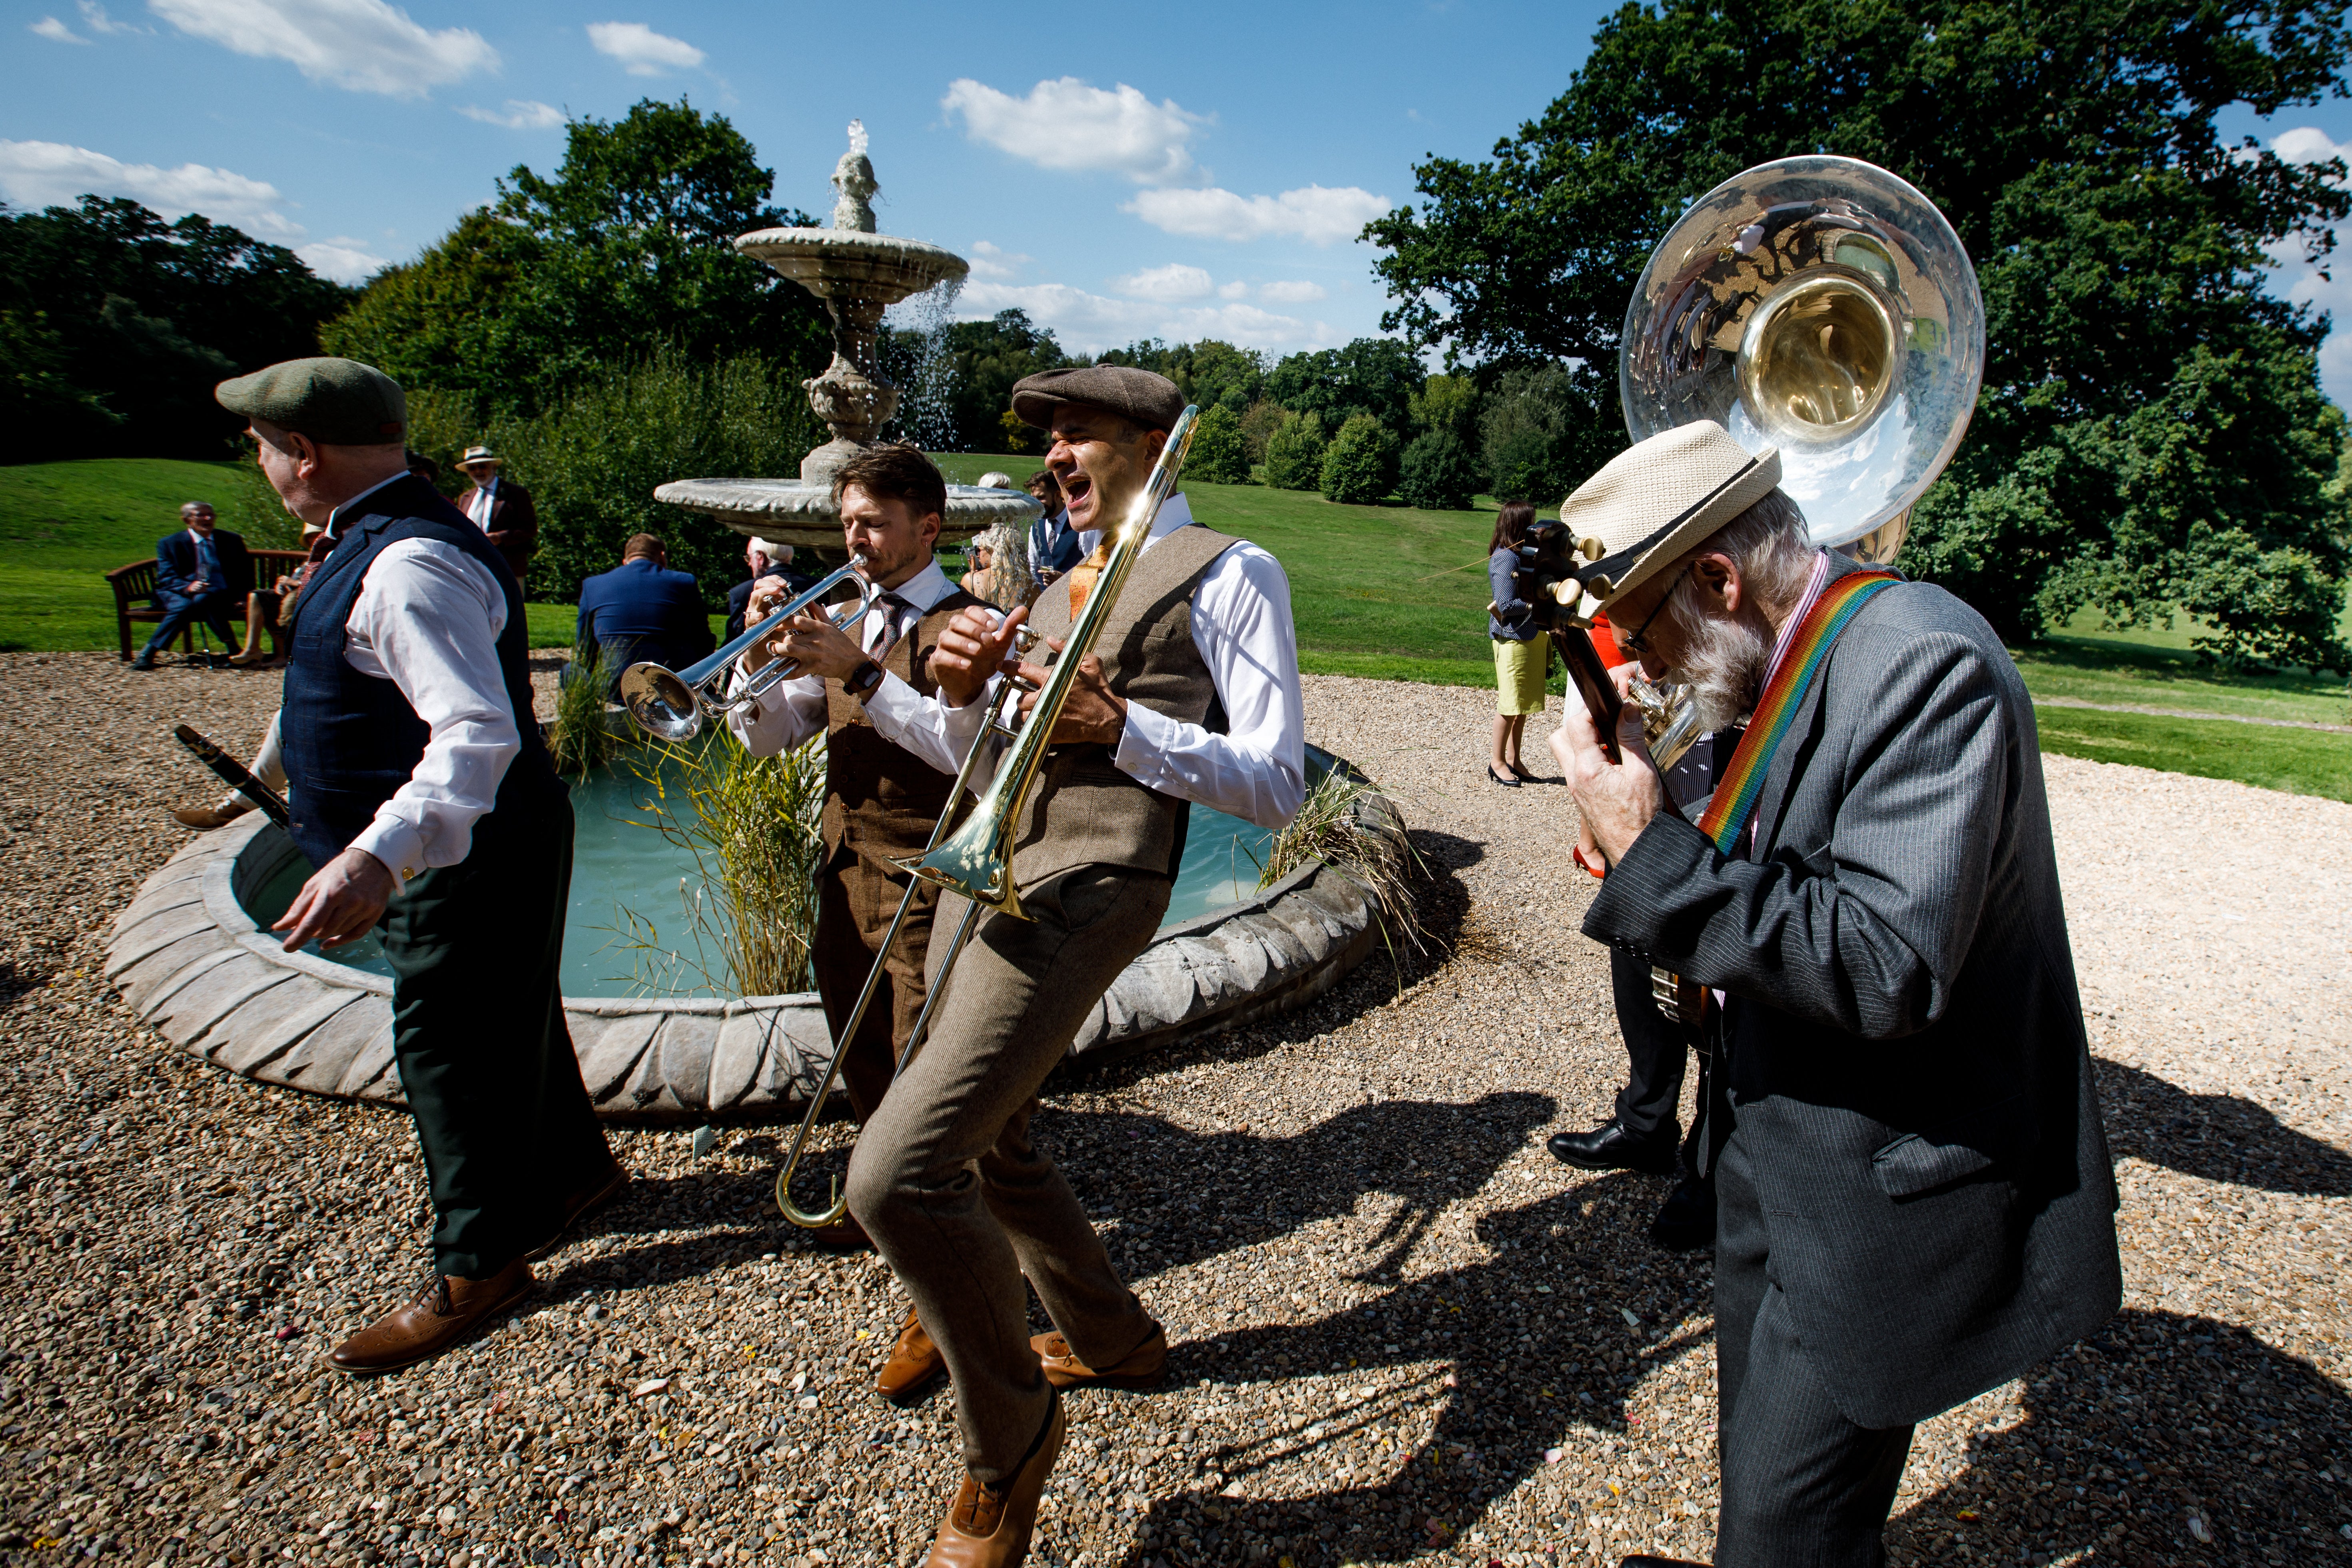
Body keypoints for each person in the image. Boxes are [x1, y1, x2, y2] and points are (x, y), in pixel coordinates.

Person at [1549, 421, 2121, 1568]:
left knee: (1782, 1528)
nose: (1642, 663)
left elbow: (1880, 964)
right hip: (1768, 1144)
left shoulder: (1919, 659)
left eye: (1642, 627)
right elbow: (1767, 860)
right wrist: (1664, 820)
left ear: (1717, 576)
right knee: (1761, 1476)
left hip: (1877, 1182)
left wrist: (1648, 851)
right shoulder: (1774, 654)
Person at [854, 365, 1305, 1568]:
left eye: (1077, 431)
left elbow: (1277, 779)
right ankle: (1109, 1338)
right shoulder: (1052, 583)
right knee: (994, 1136)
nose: (1055, 453)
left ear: (1153, 443)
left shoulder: (1228, 567)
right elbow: (970, 747)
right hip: (991, 863)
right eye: (1046, 437)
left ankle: (1009, 1437)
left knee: (892, 1175)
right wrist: (939, 680)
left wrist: (1124, 729)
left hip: (1095, 878)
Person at [216, 356, 624, 1373]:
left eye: (265, 447)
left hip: (464, 847)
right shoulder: (389, 543)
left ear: (303, 453)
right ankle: (573, 1178)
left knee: (444, 1048)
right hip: (495, 832)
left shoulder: (405, 565)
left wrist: (375, 859)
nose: (262, 463)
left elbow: (475, 732)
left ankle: (478, 1263)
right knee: (511, 1010)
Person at [724, 445, 985, 1395]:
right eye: (846, 526)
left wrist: (863, 672)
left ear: (927, 528)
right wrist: (755, 667)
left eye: (870, 525)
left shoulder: (972, 625)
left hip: (927, 879)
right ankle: (885, 1202)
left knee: (926, 1072)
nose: (854, 542)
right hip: (844, 867)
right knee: (862, 1052)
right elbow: (767, 738)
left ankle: (939, 1290)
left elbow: (968, 753)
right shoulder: (844, 619)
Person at [570, 535, 716, 694]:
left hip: (617, 689)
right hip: (672, 688)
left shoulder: (593, 585)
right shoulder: (684, 582)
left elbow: (585, 649)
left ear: (625, 561)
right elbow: (703, 640)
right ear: (662, 557)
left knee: (569, 672)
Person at [131, 502, 252, 669]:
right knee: (185, 605)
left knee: (203, 600)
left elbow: (245, 573)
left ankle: (148, 653)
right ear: (187, 520)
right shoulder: (170, 543)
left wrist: (244, 597)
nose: (208, 518)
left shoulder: (231, 540)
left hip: (219, 593)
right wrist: (188, 587)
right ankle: (234, 650)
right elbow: (166, 577)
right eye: (201, 515)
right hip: (177, 592)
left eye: (211, 514)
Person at [1486, 500, 1546, 787]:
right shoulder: (1505, 559)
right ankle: (1496, 762)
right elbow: (1506, 605)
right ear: (1518, 525)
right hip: (1511, 639)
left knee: (1521, 707)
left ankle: (1514, 759)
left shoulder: (1522, 554)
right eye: (1530, 522)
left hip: (1528, 638)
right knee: (1509, 705)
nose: (1535, 527)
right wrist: (1543, 601)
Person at [452, 444, 537, 582]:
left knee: (508, 604)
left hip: (507, 568)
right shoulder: (466, 498)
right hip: (472, 568)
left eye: (482, 466)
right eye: (472, 468)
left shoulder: (516, 494)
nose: (478, 471)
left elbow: (530, 529)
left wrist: (499, 538)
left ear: (494, 467)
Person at [1026, 468, 1081, 584]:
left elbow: (1095, 567)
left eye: (1041, 498)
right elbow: (1034, 567)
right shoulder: (1036, 528)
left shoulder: (1079, 523)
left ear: (1057, 495)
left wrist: (1064, 580)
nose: (1035, 504)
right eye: (1033, 498)